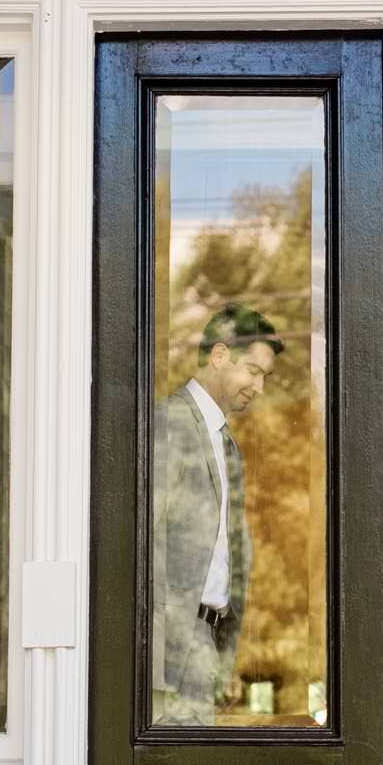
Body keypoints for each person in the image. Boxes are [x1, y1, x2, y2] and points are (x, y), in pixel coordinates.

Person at [151, 304, 283, 725]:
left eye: (265, 376)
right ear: (220, 355)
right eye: (254, 371)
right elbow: (143, 542)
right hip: (172, 650)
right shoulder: (169, 423)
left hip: (206, 638)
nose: (259, 388)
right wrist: (155, 658)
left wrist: (222, 658)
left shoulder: (225, 442)